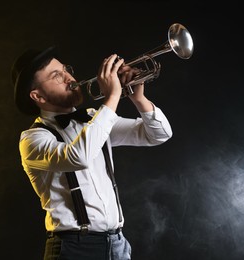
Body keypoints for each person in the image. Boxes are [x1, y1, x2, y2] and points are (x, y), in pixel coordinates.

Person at [11, 45, 173, 260]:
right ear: (38, 96)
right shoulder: (32, 139)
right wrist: (113, 97)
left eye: (66, 70)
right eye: (56, 76)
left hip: (118, 245)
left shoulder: (93, 119)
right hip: (74, 248)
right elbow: (79, 156)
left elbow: (159, 134)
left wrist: (138, 99)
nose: (69, 78)